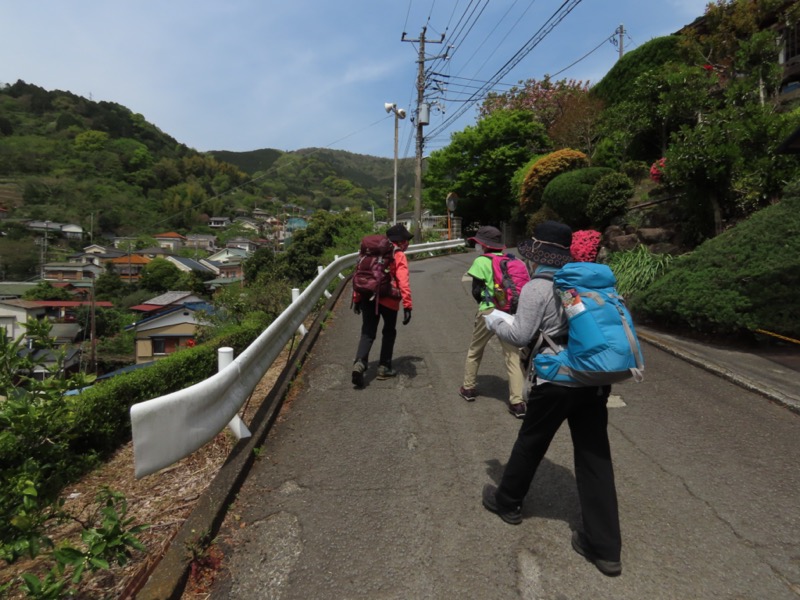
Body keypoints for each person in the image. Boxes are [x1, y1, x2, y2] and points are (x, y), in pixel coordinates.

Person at [480, 221, 623, 577]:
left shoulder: (538, 287)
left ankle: (508, 502)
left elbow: (520, 335)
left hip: (555, 381)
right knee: (595, 458)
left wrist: (493, 320)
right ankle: (605, 549)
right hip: (593, 380)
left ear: (535, 256)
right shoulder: (582, 283)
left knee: (532, 441)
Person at [459, 225, 527, 418]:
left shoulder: (481, 261)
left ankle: (469, 388)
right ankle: (517, 402)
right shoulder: (514, 261)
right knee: (512, 356)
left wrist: (486, 307)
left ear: (483, 245)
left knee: (475, 349)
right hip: (510, 312)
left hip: (488, 311)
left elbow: (475, 291)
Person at [351, 223, 413, 388]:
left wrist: (357, 299)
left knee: (368, 332)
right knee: (389, 331)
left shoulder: (370, 252)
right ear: (400, 241)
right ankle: (384, 367)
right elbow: (403, 281)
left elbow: (360, 274)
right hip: (388, 299)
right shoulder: (397, 254)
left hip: (367, 296)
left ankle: (360, 362)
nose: (408, 243)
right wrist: (407, 305)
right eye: (406, 240)